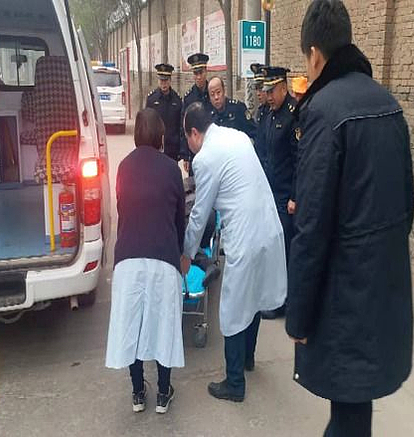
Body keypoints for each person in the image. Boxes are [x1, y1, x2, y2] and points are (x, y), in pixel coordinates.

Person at [285, 2, 414, 436]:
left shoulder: (324, 112)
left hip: (343, 300)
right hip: (383, 291)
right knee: (356, 412)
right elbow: (407, 208)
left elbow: (310, 229)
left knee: (348, 417)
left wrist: (299, 317)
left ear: (315, 54)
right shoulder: (388, 103)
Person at [181, 102, 287, 402]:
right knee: (255, 297)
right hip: (269, 228)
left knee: (233, 308)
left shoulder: (205, 158)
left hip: (245, 237)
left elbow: (200, 214)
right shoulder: (237, 136)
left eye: (187, 139)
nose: (189, 146)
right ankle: (247, 359)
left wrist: (187, 254)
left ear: (194, 133)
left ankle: (235, 383)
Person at [106, 108, 186, 414]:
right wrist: (179, 252)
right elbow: (179, 219)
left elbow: (123, 211)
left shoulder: (124, 167)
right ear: (160, 135)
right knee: (163, 324)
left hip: (128, 259)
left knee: (133, 325)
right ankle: (164, 393)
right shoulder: (171, 169)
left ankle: (138, 392)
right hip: (163, 258)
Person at [259, 66, 299, 320]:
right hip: (270, 193)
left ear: (283, 88)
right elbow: (263, 152)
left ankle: (285, 301)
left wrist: (295, 195)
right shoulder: (269, 114)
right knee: (272, 247)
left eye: (272, 91)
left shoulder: (295, 115)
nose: (268, 96)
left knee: (284, 249)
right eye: (266, 91)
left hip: (286, 197)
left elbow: (300, 160)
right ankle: (275, 294)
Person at [180, 53, 211, 174]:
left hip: (211, 148)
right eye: (195, 73)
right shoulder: (189, 98)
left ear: (206, 71)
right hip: (195, 152)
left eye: (201, 73)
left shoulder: (213, 94)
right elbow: (184, 127)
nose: (198, 77)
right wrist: (186, 155)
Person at [146, 63, 182, 161]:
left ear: (170, 80)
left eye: (166, 80)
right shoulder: (151, 99)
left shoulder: (177, 100)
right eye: (161, 80)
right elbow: (147, 125)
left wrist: (180, 149)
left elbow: (180, 126)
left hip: (172, 149)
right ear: (158, 81)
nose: (163, 84)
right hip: (156, 148)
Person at [208, 76, 257, 141]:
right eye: (212, 94)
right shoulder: (209, 116)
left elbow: (254, 132)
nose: (216, 97)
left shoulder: (238, 108)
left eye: (218, 92)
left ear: (224, 91)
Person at [251, 62, 270, 168]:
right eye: (256, 88)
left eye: (261, 88)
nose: (258, 93)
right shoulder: (260, 111)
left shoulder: (273, 111)